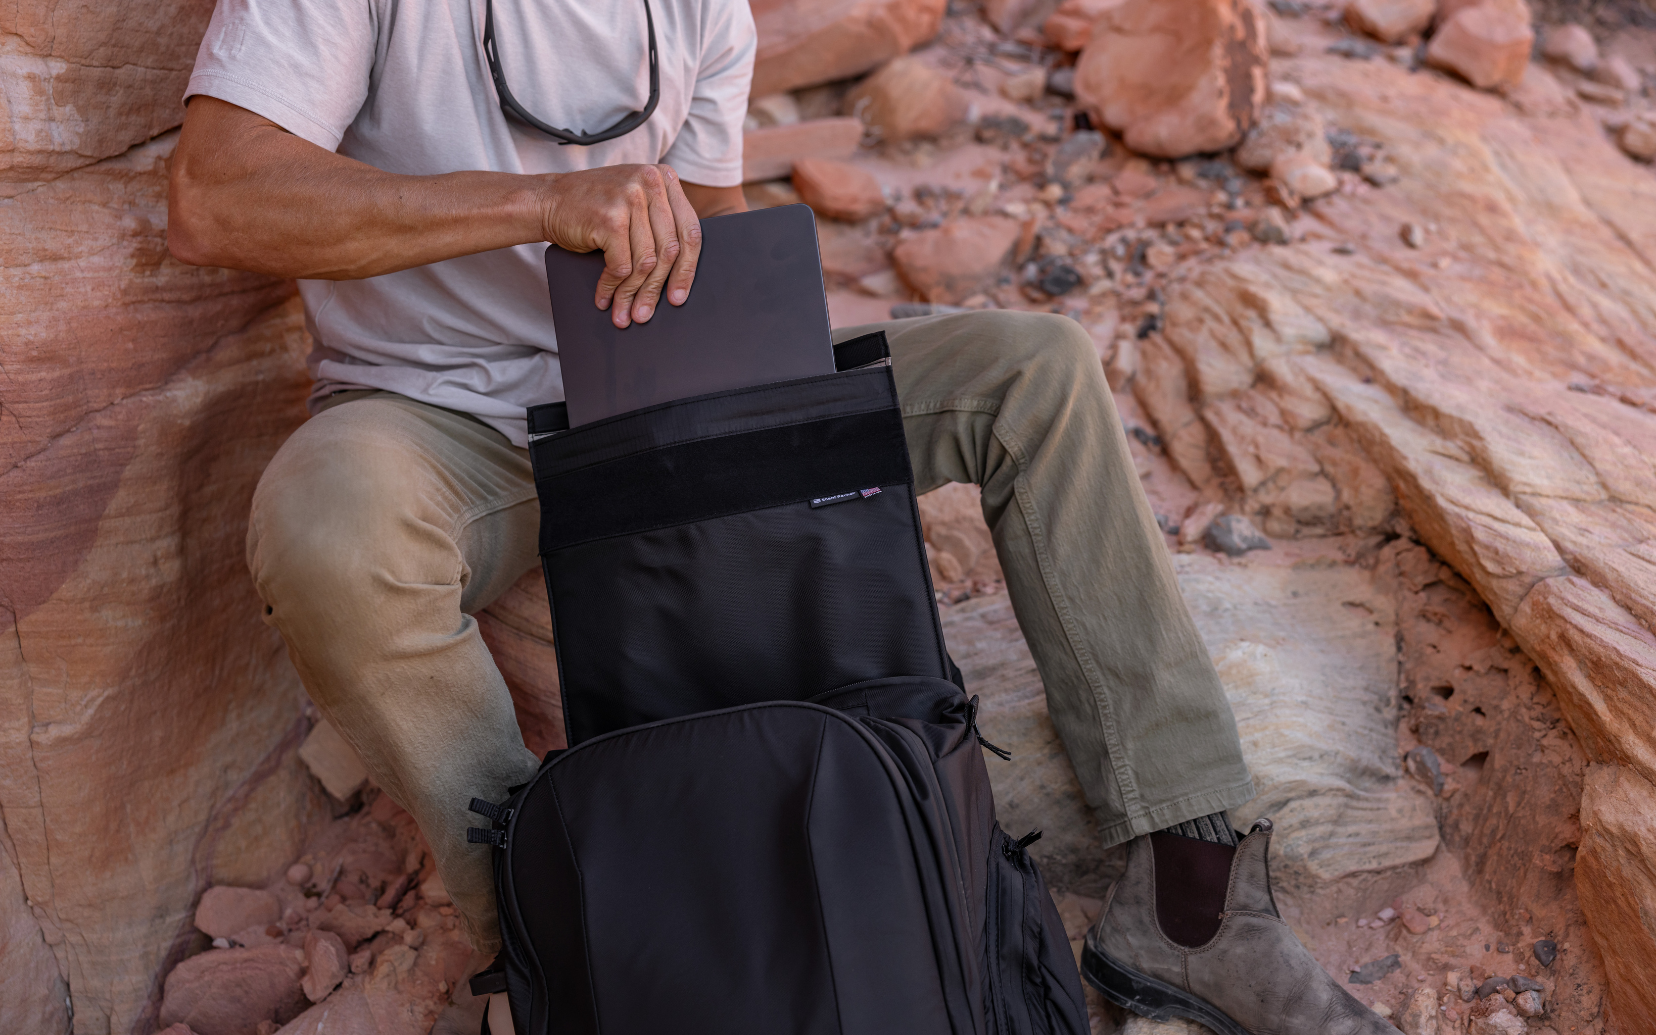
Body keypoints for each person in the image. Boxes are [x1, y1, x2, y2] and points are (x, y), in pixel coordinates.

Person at [170, 0, 1392, 1032]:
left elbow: (704, 232)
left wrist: (774, 422)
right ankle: (556, 942)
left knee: (1037, 372)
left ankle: (1187, 897)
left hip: (653, 392)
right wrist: (541, 203)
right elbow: (217, 196)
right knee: (329, 529)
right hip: (445, 420)